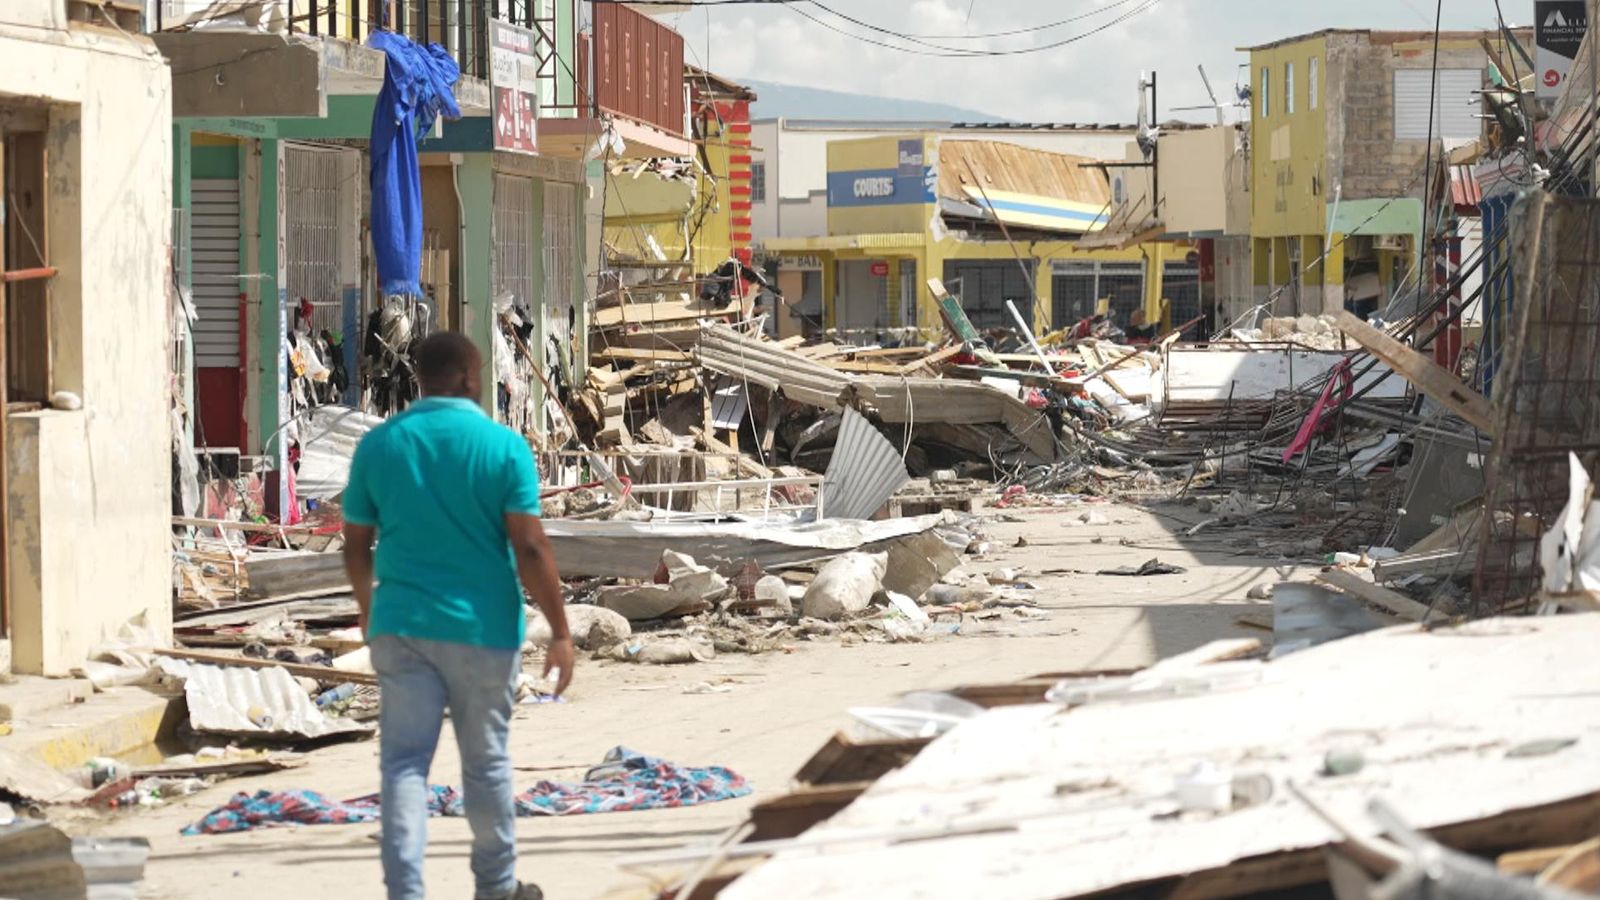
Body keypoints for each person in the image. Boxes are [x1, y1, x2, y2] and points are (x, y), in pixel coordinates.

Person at [343, 331, 573, 900]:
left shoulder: (380, 446)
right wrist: (562, 633)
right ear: (472, 378)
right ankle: (496, 890)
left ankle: (406, 893)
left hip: (401, 625)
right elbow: (531, 549)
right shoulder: (502, 448)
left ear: (419, 378)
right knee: (486, 764)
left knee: (402, 767)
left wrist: (371, 612)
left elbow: (354, 545)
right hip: (482, 631)